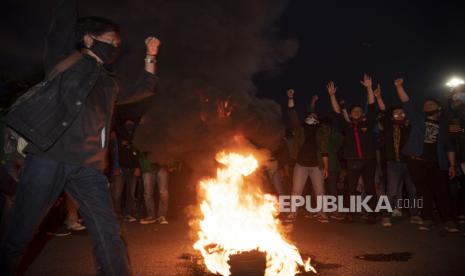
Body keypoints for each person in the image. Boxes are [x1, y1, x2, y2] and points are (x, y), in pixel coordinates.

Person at [0, 0, 160, 274]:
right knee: (19, 234)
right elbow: (62, 22)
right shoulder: (65, 59)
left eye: (118, 43)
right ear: (88, 39)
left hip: (89, 167)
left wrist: (150, 55)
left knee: (108, 233)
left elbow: (145, 88)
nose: (115, 46)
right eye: (111, 40)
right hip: (48, 158)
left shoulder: (109, 82)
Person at [394, 78, 458, 232]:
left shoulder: (444, 124)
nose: (428, 106)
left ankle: (448, 220)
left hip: (438, 162)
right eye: (426, 105)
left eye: (431, 104)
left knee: (442, 191)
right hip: (417, 161)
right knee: (423, 191)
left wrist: (452, 165)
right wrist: (399, 86)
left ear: (439, 108)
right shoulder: (418, 119)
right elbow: (407, 102)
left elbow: (449, 147)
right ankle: (427, 218)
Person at [327, 75, 378, 224]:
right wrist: (332, 96)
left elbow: (372, 105)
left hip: (369, 160)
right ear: (349, 114)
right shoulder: (347, 126)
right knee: (351, 189)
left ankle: (372, 215)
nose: (356, 112)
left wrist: (369, 88)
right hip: (352, 162)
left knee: (370, 188)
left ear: (362, 114)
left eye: (359, 111)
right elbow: (336, 112)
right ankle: (351, 214)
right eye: (354, 111)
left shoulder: (367, 124)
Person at [373, 84, 421, 227]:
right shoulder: (388, 126)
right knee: (392, 191)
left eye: (402, 113)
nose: (399, 114)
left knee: (413, 189)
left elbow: (409, 106)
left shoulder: (409, 126)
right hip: (393, 164)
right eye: (396, 113)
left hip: (410, 162)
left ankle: (415, 215)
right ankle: (386, 216)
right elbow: (383, 110)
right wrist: (379, 98)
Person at [286, 90, 329, 223]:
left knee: (320, 191)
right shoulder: (300, 129)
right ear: (306, 118)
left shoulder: (321, 132)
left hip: (316, 165)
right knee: (296, 190)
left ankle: (321, 213)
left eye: (314, 116)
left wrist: (326, 167)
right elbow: (292, 114)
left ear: (317, 120)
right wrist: (291, 98)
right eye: (309, 115)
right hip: (301, 164)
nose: (312, 116)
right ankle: (293, 213)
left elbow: (324, 151)